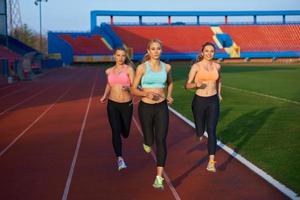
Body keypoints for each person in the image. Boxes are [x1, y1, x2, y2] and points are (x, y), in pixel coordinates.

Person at [131, 39, 173, 190]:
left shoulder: (167, 67)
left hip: (161, 107)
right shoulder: (142, 68)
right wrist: (146, 94)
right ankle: (147, 141)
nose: (156, 51)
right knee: (150, 139)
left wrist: (169, 95)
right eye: (153, 49)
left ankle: (159, 177)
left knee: (161, 139)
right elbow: (133, 89)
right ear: (148, 51)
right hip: (146, 108)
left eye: (158, 49)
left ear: (161, 51)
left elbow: (170, 83)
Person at [185, 42, 222, 173]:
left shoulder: (217, 66)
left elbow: (219, 80)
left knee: (212, 130)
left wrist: (219, 94)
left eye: (212, 51)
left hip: (213, 101)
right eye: (207, 51)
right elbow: (187, 85)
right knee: (200, 131)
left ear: (214, 52)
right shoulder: (196, 66)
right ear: (202, 52)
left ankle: (211, 162)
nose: (209, 53)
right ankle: (199, 131)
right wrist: (196, 84)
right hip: (199, 101)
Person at [100, 47, 135, 171]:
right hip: (112, 104)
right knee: (115, 130)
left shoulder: (129, 69)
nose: (120, 58)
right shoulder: (108, 71)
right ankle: (120, 158)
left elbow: (135, 86)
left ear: (125, 57)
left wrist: (129, 88)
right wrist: (104, 96)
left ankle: (123, 131)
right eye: (118, 55)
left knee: (125, 133)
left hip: (127, 105)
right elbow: (109, 84)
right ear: (114, 56)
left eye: (123, 56)